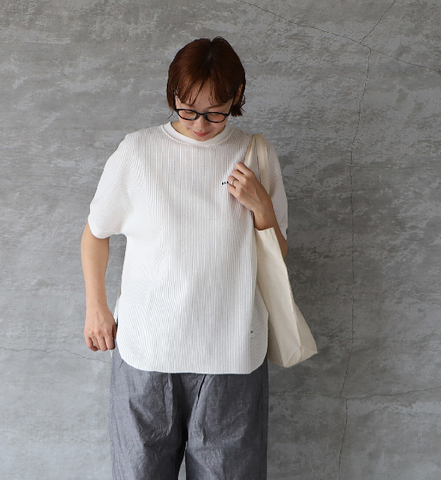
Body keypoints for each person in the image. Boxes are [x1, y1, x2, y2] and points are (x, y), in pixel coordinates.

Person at [81, 36, 288, 480]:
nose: (200, 124)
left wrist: (262, 208)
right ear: (173, 94)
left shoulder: (255, 154)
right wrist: (96, 307)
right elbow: (95, 233)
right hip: (146, 352)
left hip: (232, 353)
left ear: (236, 97)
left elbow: (279, 255)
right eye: (188, 109)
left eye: (216, 112)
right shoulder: (138, 152)